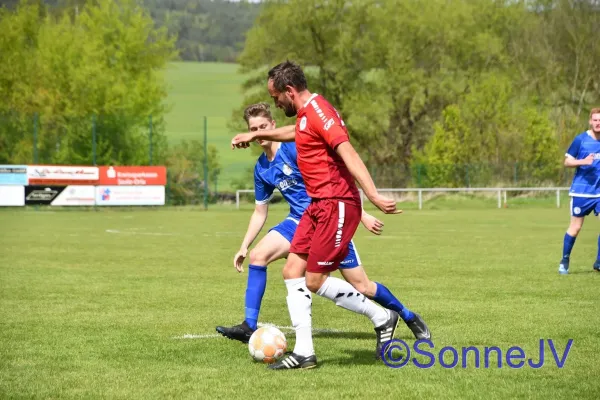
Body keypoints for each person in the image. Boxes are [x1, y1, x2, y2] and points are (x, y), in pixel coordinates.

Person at [231, 61, 430, 370]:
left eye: (275, 97)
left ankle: (383, 316)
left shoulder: (321, 113)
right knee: (291, 271)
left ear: (289, 91)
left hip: (336, 204)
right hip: (316, 207)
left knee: (316, 280)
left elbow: (348, 153)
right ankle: (305, 353)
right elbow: (291, 132)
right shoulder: (304, 116)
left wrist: (373, 195)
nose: (275, 103)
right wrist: (251, 137)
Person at [217, 102, 410, 357]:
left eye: (263, 126)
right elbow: (259, 212)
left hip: (327, 218)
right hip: (298, 221)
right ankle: (249, 326)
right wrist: (244, 245)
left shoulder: (295, 150)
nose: (259, 132)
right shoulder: (262, 168)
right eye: (254, 128)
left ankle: (405, 315)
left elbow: (331, 182)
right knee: (258, 256)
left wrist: (361, 214)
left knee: (362, 285)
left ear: (273, 126)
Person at [559, 107, 600, 274]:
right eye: (596, 120)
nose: (598, 123)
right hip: (581, 193)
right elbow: (567, 162)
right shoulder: (581, 140)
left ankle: (599, 262)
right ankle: (565, 260)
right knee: (575, 228)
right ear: (590, 121)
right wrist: (583, 162)